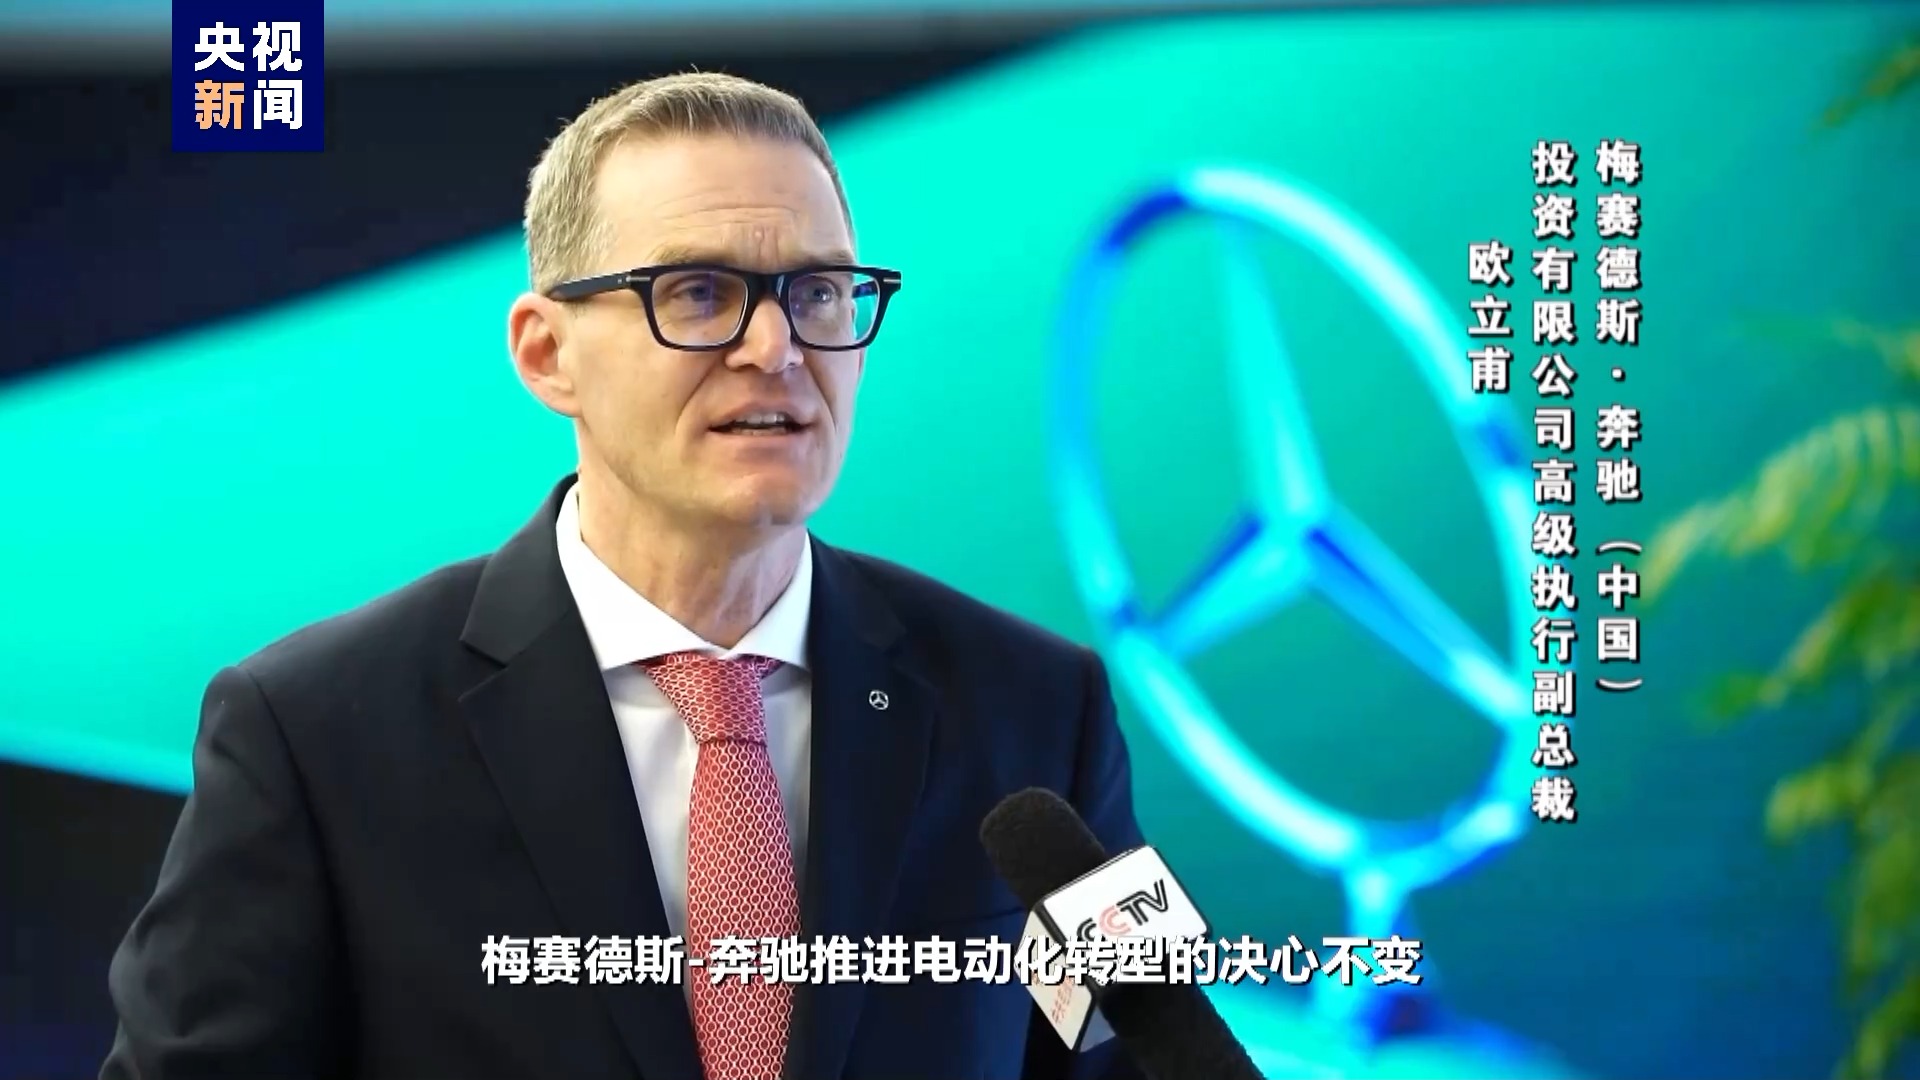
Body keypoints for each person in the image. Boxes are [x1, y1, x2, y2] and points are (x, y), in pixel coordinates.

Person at [100, 72, 1147, 1080]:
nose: (776, 347)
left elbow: (1147, 1051)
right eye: (699, 293)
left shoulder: (1038, 710)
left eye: (819, 293)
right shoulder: (314, 732)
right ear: (547, 354)